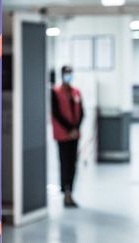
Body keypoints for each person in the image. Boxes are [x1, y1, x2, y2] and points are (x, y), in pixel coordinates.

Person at [51, 65, 84, 208]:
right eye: (66, 73)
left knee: (73, 164)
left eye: (70, 73)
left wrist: (76, 128)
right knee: (64, 163)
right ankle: (65, 192)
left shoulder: (76, 92)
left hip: (74, 135)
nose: (68, 76)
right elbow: (56, 113)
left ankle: (71, 192)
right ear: (62, 74)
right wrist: (69, 129)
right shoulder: (56, 92)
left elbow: (82, 112)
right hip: (63, 135)